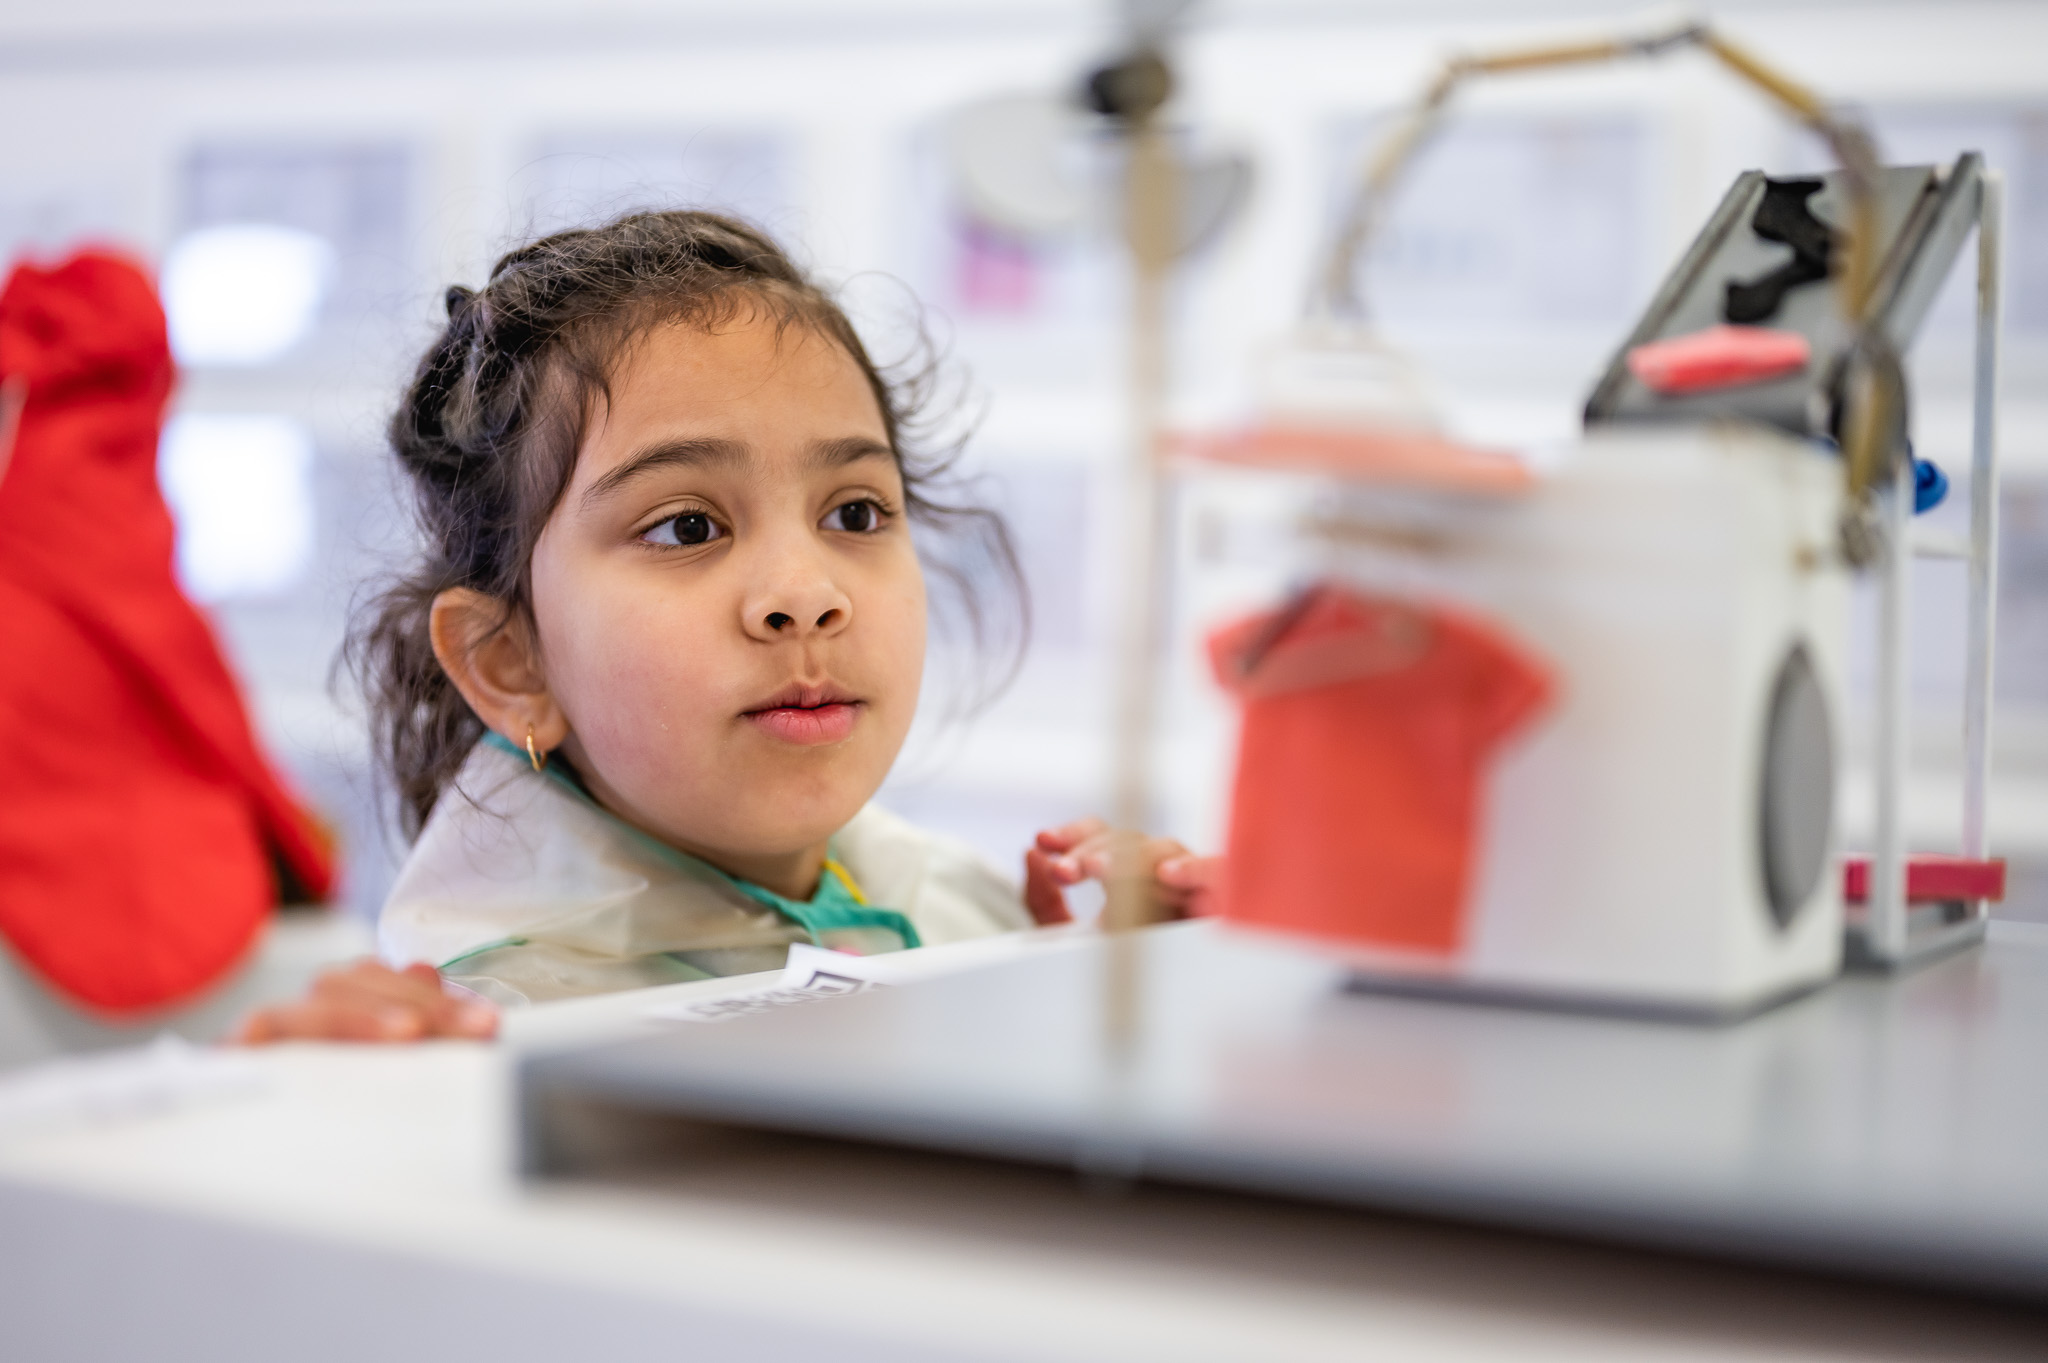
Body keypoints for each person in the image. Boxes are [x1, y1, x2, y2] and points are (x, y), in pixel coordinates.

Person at [238, 211, 1216, 1044]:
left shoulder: (943, 898)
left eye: (855, 513)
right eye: (688, 527)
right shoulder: (487, 1028)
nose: (805, 592)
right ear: (510, 663)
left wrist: (1118, 982)